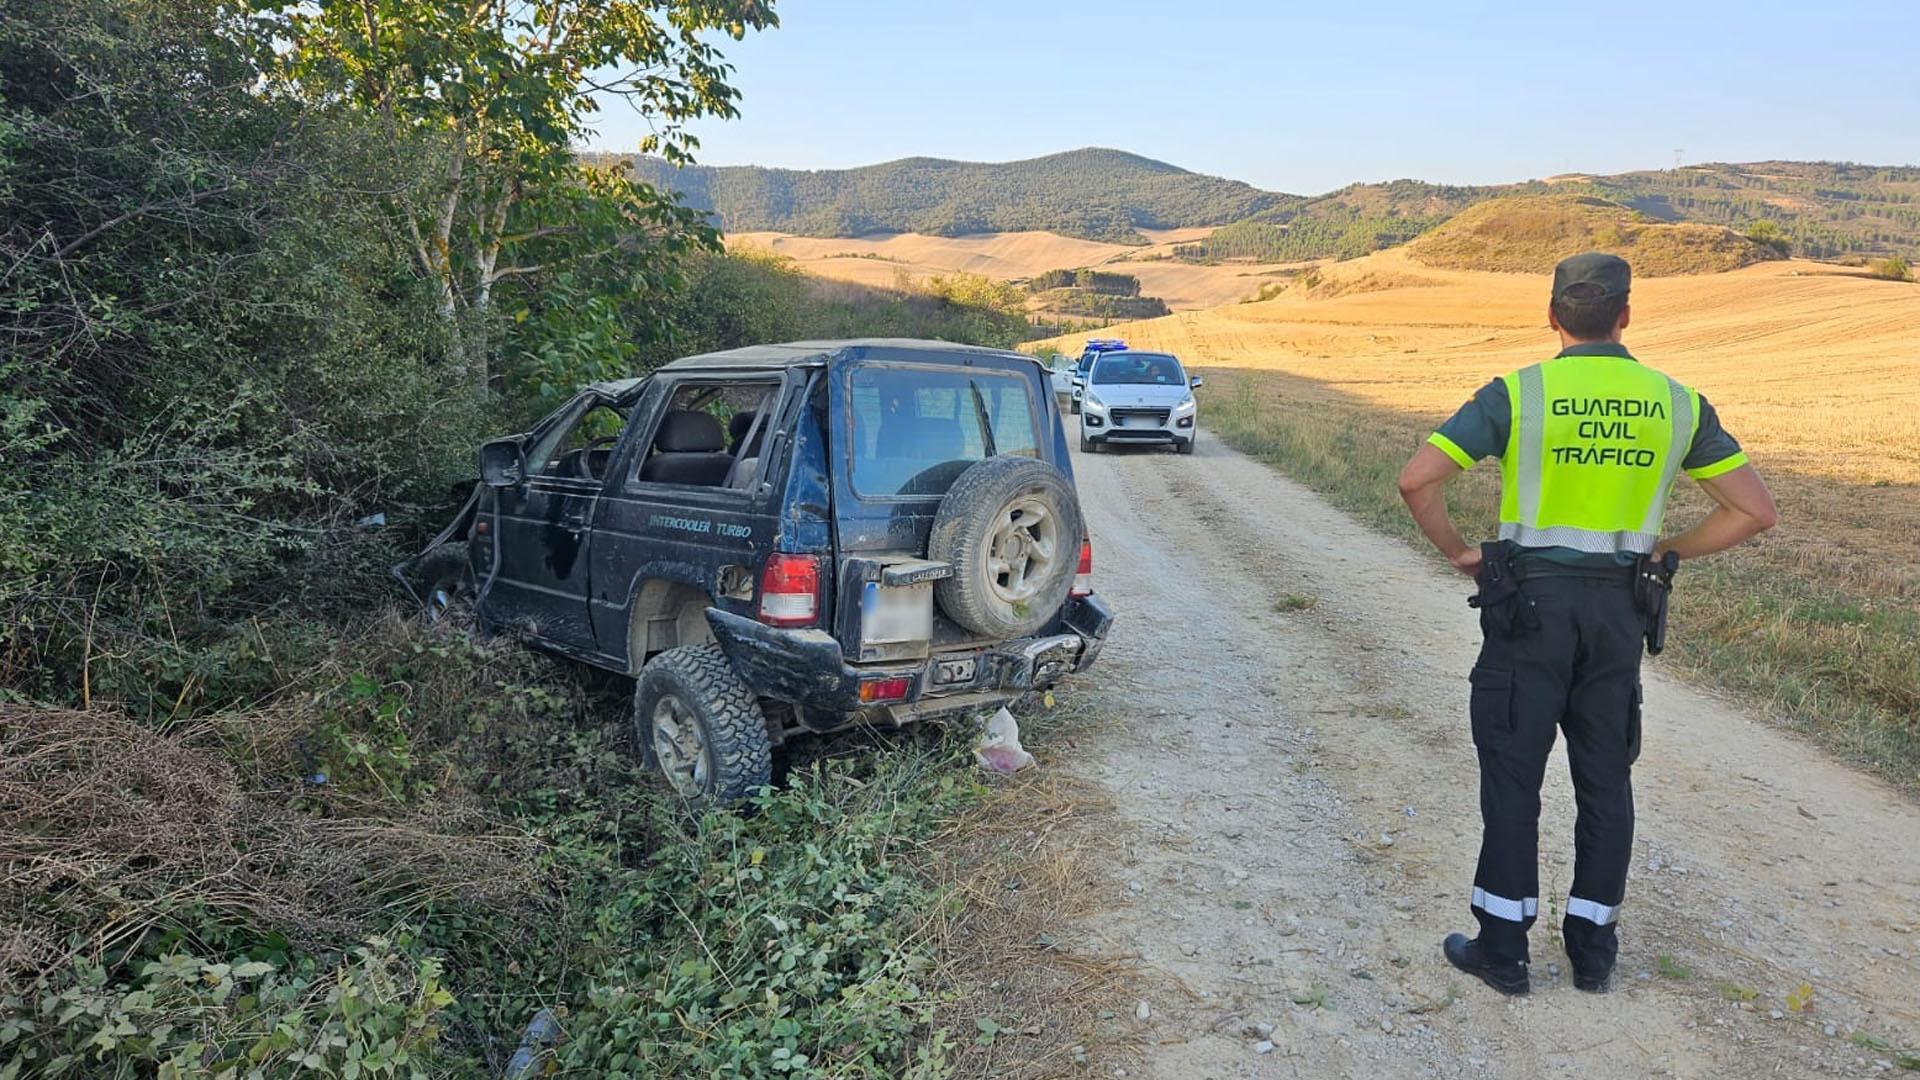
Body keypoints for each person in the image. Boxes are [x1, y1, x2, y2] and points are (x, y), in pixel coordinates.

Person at [1395, 252, 1778, 996]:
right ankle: (1593, 950)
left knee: (1513, 775)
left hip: (1529, 609)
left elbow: (1418, 479)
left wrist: (1460, 554)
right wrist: (1667, 549)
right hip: (1618, 615)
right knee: (1606, 780)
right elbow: (1754, 512)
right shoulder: (1675, 401)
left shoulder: (1520, 393)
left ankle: (1503, 949)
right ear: (1626, 316)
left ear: (1552, 315)